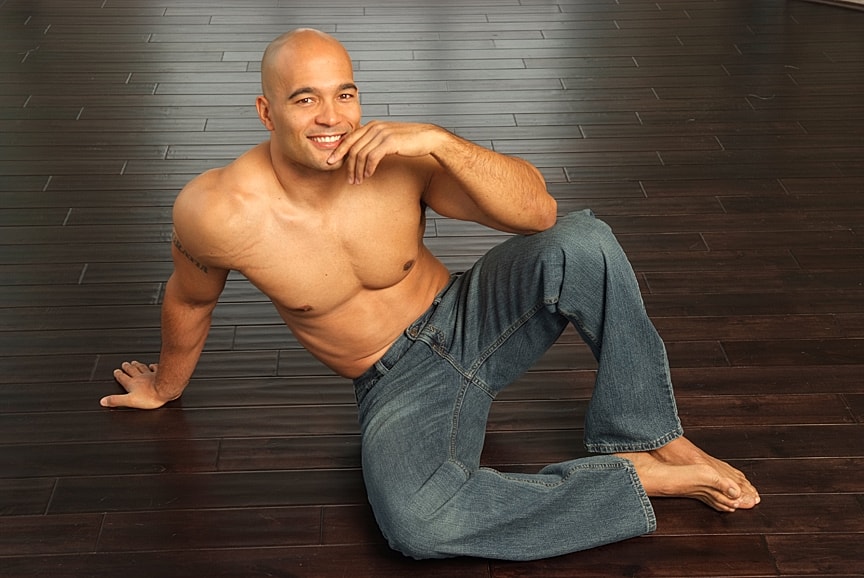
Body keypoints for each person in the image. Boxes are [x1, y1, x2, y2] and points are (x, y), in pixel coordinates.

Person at [101, 29, 760, 561]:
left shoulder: (397, 160)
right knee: (419, 525)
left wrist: (440, 143)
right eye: (305, 100)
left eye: (345, 94)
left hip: (474, 318)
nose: (332, 118)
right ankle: (634, 479)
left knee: (584, 240)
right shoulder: (217, 212)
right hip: (394, 381)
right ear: (266, 110)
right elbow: (190, 300)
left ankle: (645, 433)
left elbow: (538, 214)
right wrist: (166, 386)